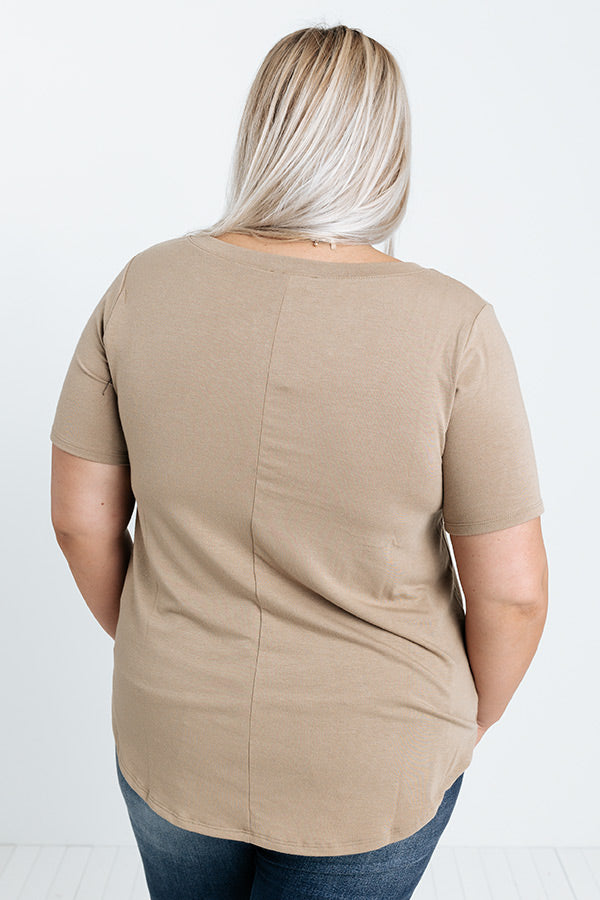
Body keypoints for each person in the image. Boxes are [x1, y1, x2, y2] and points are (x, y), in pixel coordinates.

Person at [49, 22, 548, 900]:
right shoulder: (454, 326)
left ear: (263, 133)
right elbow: (512, 594)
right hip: (375, 751)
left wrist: (160, 650)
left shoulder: (141, 286)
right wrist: (472, 718)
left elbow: (78, 518)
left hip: (174, 724)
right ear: (386, 150)